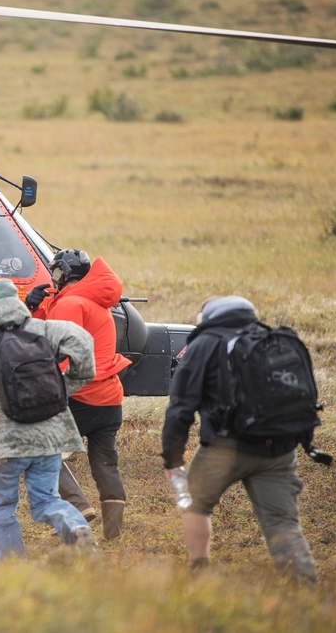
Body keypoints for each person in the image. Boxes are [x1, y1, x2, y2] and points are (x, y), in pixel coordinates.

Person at [160, 295, 318, 584]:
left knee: (194, 503)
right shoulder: (270, 337)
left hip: (224, 448)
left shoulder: (203, 344)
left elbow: (180, 408)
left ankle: (199, 570)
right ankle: (306, 587)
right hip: (279, 450)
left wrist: (172, 459)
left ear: (207, 317)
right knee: (283, 524)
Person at [0, 278, 97, 560]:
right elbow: (83, 342)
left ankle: (14, 569)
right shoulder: (44, 330)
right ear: (17, 301)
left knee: (1, 508)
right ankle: (75, 526)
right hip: (50, 433)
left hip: (5, 438)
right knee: (47, 500)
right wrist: (68, 386)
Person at [27, 249, 132, 540]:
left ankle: (76, 507)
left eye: (56, 273)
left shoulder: (70, 303)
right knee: (105, 464)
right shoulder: (93, 300)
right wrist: (36, 309)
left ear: (63, 273)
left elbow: (53, 351)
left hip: (82, 395)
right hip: (109, 399)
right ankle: (114, 533)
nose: (53, 279)